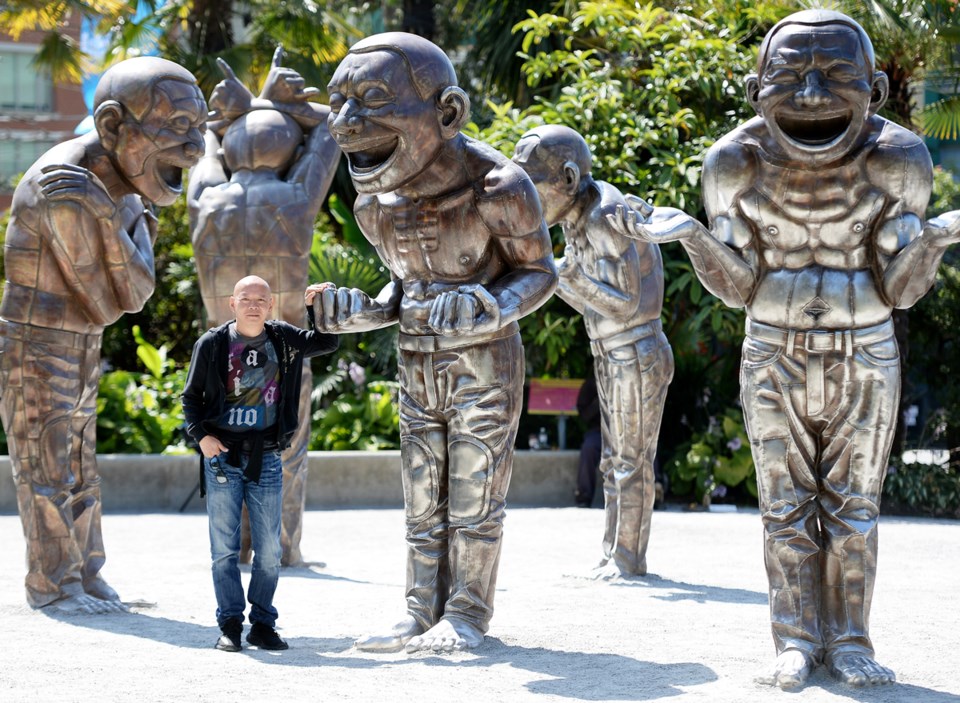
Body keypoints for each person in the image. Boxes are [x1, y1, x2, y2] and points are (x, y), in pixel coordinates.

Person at [612, 9, 960, 688]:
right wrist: (692, 236)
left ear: (875, 91)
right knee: (784, 504)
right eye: (789, 76)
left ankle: (852, 639)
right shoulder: (734, 164)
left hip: (865, 348)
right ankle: (795, 639)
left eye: (834, 75)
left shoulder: (898, 160)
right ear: (754, 89)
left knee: (854, 505)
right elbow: (740, 286)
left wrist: (933, 243)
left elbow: (900, 289)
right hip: (773, 347)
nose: (809, 94)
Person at [315, 32, 557, 653]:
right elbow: (406, 290)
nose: (346, 124)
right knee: (422, 496)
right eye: (338, 102)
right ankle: (419, 610)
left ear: (447, 113)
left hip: (485, 364)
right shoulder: (376, 202)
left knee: (475, 496)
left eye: (370, 100)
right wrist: (361, 312)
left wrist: (492, 306)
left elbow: (539, 273)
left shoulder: (499, 189)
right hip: (416, 366)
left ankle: (467, 615)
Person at [0, 57, 206, 613]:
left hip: (80, 341)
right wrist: (115, 221)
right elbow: (106, 296)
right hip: (37, 342)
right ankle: (53, 585)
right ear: (116, 125)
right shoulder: (63, 185)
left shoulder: (121, 184)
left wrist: (113, 217)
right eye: (180, 128)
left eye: (201, 130)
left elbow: (134, 294)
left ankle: (88, 577)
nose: (196, 150)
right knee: (48, 466)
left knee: (83, 471)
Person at [188, 48, 341, 567]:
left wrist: (228, 119)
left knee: (224, 446)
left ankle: (233, 546)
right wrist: (284, 105)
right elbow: (331, 132)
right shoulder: (296, 196)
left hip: (221, 345)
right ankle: (283, 547)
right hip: (283, 343)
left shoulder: (208, 197)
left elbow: (205, 145)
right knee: (284, 447)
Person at [513, 125, 673, 578]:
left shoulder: (604, 217)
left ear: (566, 178)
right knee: (612, 457)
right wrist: (556, 275)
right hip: (612, 351)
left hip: (635, 351)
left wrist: (569, 275)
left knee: (631, 459)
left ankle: (627, 557)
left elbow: (624, 304)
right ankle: (613, 552)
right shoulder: (576, 217)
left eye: (532, 185)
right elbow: (587, 297)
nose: (525, 199)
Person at [181, 275, 337, 652]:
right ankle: (230, 624)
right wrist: (202, 437)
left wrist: (320, 307)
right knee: (224, 549)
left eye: (261, 299)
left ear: (271, 305)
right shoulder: (213, 344)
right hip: (222, 458)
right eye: (245, 298)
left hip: (266, 455)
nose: (253, 304)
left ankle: (263, 624)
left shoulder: (283, 338)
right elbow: (191, 400)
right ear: (232, 304)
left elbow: (327, 342)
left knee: (269, 550)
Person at [574, 371, 602, 508]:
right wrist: (599, 401)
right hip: (599, 432)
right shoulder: (591, 384)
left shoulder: (627, 377)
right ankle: (584, 495)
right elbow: (584, 415)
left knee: (642, 446)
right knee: (588, 448)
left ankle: (654, 489)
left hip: (624, 432)